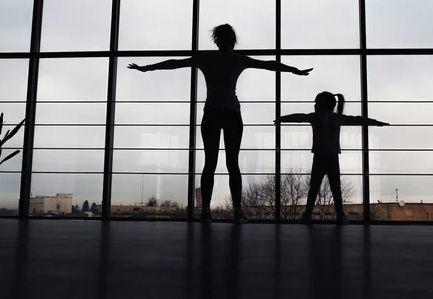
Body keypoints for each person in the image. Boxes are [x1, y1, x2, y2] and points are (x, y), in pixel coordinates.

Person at [128, 24, 312, 223]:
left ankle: (207, 211)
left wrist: (146, 68)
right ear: (233, 41)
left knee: (210, 163)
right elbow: (269, 64)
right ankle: (236, 211)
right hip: (231, 114)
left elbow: (174, 63)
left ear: (216, 40)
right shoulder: (237, 59)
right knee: (232, 164)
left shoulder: (207, 58)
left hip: (213, 114)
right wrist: (295, 71)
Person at [275, 91, 389, 225]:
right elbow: (357, 119)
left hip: (319, 156)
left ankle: (307, 214)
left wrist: (281, 119)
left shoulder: (315, 117)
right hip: (333, 157)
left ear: (320, 104)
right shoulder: (336, 118)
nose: (314, 105)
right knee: (336, 188)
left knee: (314, 187)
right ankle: (340, 215)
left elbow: (299, 117)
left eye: (316, 103)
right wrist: (376, 122)